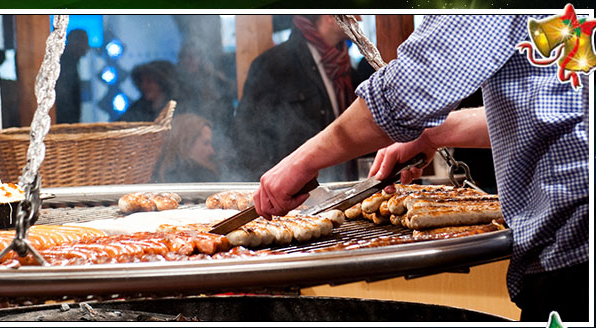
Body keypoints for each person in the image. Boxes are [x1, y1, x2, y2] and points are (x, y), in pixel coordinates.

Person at [253, 15, 588, 322]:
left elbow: (407, 92)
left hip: (577, 250)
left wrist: (301, 161)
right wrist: (432, 134)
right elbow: (550, 112)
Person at [230, 15, 373, 182]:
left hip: (344, 190)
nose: (359, 19)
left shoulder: (346, 67)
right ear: (329, 16)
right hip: (298, 194)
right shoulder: (274, 65)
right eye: (351, 11)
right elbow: (247, 140)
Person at [153, 113, 219, 183]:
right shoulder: (204, 176)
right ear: (186, 144)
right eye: (206, 143)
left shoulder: (154, 172)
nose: (212, 151)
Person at [55, 29, 90, 124]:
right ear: (74, 42)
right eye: (84, 42)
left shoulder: (71, 62)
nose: (87, 47)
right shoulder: (64, 64)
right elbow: (64, 99)